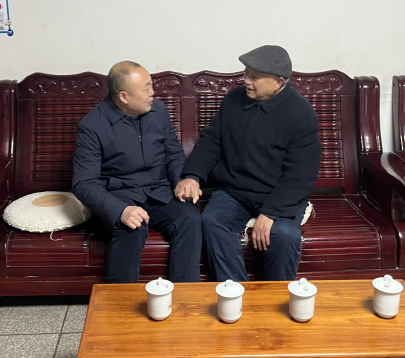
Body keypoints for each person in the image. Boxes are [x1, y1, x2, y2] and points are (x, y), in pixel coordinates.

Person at [174, 45, 320, 282]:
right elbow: (212, 141)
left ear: (278, 82)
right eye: (246, 73)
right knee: (212, 221)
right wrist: (192, 175)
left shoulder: (301, 113)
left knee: (283, 235)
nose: (246, 81)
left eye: (254, 76)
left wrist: (270, 213)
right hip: (234, 192)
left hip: (276, 195)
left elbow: (300, 175)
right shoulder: (234, 100)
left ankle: (276, 296)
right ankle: (235, 292)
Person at [72, 61, 202, 283]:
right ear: (124, 96)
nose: (153, 92)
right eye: (146, 88)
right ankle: (121, 299)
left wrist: (183, 180)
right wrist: (120, 210)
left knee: (189, 218)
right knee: (132, 227)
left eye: (151, 85)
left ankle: (185, 296)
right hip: (119, 196)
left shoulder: (158, 110)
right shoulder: (92, 125)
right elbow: (83, 183)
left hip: (158, 192)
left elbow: (173, 154)